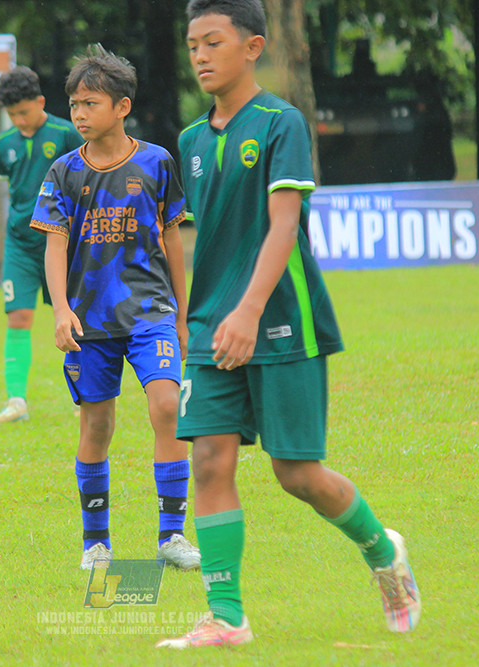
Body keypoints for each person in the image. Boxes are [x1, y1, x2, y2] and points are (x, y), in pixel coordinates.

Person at [157, 0, 420, 649]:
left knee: (296, 473)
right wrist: (195, 315)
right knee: (210, 459)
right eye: (193, 44)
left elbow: (283, 224)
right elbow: (200, 240)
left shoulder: (282, 123)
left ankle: (382, 548)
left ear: (253, 46)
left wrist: (248, 310)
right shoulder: (190, 141)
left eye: (212, 41)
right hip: (212, 328)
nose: (199, 55)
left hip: (280, 321)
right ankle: (227, 615)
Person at [30, 44, 200, 572]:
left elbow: (173, 237)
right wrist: (61, 310)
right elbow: (54, 244)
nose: (79, 113)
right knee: (96, 425)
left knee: (167, 407)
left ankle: (171, 536)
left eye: (90, 103)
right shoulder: (63, 172)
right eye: (74, 104)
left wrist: (182, 312)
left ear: (122, 107)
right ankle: (95, 543)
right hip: (89, 322)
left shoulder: (156, 162)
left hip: (150, 312)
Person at [0, 66, 85, 424]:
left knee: (75, 319)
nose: (19, 121)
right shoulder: (3, 144)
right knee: (19, 317)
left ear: (41, 102)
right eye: (12, 115)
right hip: (20, 244)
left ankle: (85, 396)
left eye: (24, 112)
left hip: (62, 243)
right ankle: (16, 402)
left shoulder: (66, 134)